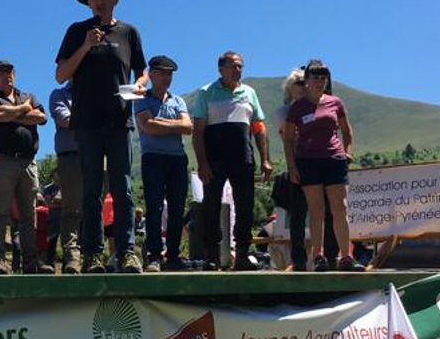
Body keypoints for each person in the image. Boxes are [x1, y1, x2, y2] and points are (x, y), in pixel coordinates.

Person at [55, 0, 148, 273]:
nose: (99, 1)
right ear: (88, 2)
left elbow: (141, 70)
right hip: (87, 122)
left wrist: (141, 84)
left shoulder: (129, 32)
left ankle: (127, 252)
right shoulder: (76, 31)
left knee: (123, 189)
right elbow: (61, 74)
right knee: (91, 191)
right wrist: (85, 46)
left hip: (120, 120)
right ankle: (92, 254)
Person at [191, 51, 273, 270]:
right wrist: (202, 163)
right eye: (233, 66)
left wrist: (265, 159)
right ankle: (212, 256)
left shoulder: (249, 92)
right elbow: (198, 132)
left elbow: (259, 127)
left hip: (243, 159)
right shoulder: (207, 92)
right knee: (211, 206)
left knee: (245, 207)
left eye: (240, 66)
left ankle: (243, 255)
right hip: (214, 161)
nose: (238, 70)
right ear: (221, 69)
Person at [284, 59, 363, 272]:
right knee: (316, 209)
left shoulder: (335, 102)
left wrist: (348, 153)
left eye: (323, 77)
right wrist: (292, 166)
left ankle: (346, 257)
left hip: (334, 159)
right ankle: (318, 257)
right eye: (315, 77)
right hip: (308, 161)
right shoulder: (297, 107)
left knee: (340, 208)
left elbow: (347, 131)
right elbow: (288, 139)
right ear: (307, 80)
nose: (319, 81)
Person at [0, 60, 51, 274]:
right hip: (1, 160)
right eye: (1, 73)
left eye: (10, 72)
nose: (7, 76)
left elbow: (40, 117)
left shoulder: (28, 95)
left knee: (29, 214)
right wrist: (23, 110)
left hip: (28, 161)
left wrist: (11, 114)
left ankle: (30, 262)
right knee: (1, 212)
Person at [274, 69, 339, 271]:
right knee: (298, 214)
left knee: (328, 212)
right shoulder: (284, 112)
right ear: (289, 88)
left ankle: (331, 256)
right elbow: (290, 138)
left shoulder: (320, 105)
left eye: (306, 82)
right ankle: (299, 259)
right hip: (297, 164)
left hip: (322, 163)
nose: (304, 86)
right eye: (300, 83)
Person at [134, 55, 192, 272]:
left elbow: (188, 127)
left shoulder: (178, 100)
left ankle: (173, 255)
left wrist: (160, 123)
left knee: (177, 208)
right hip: (153, 159)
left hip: (177, 159)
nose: (167, 78)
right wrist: (175, 125)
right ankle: (154, 255)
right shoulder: (141, 98)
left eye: (170, 74)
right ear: (152, 75)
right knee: (154, 207)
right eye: (162, 73)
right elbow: (147, 126)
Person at [49, 82, 83, 273]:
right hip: (71, 156)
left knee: (94, 209)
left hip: (98, 155)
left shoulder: (97, 91)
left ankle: (92, 255)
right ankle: (72, 257)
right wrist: (97, 118)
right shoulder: (59, 94)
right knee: (72, 209)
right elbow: (66, 120)